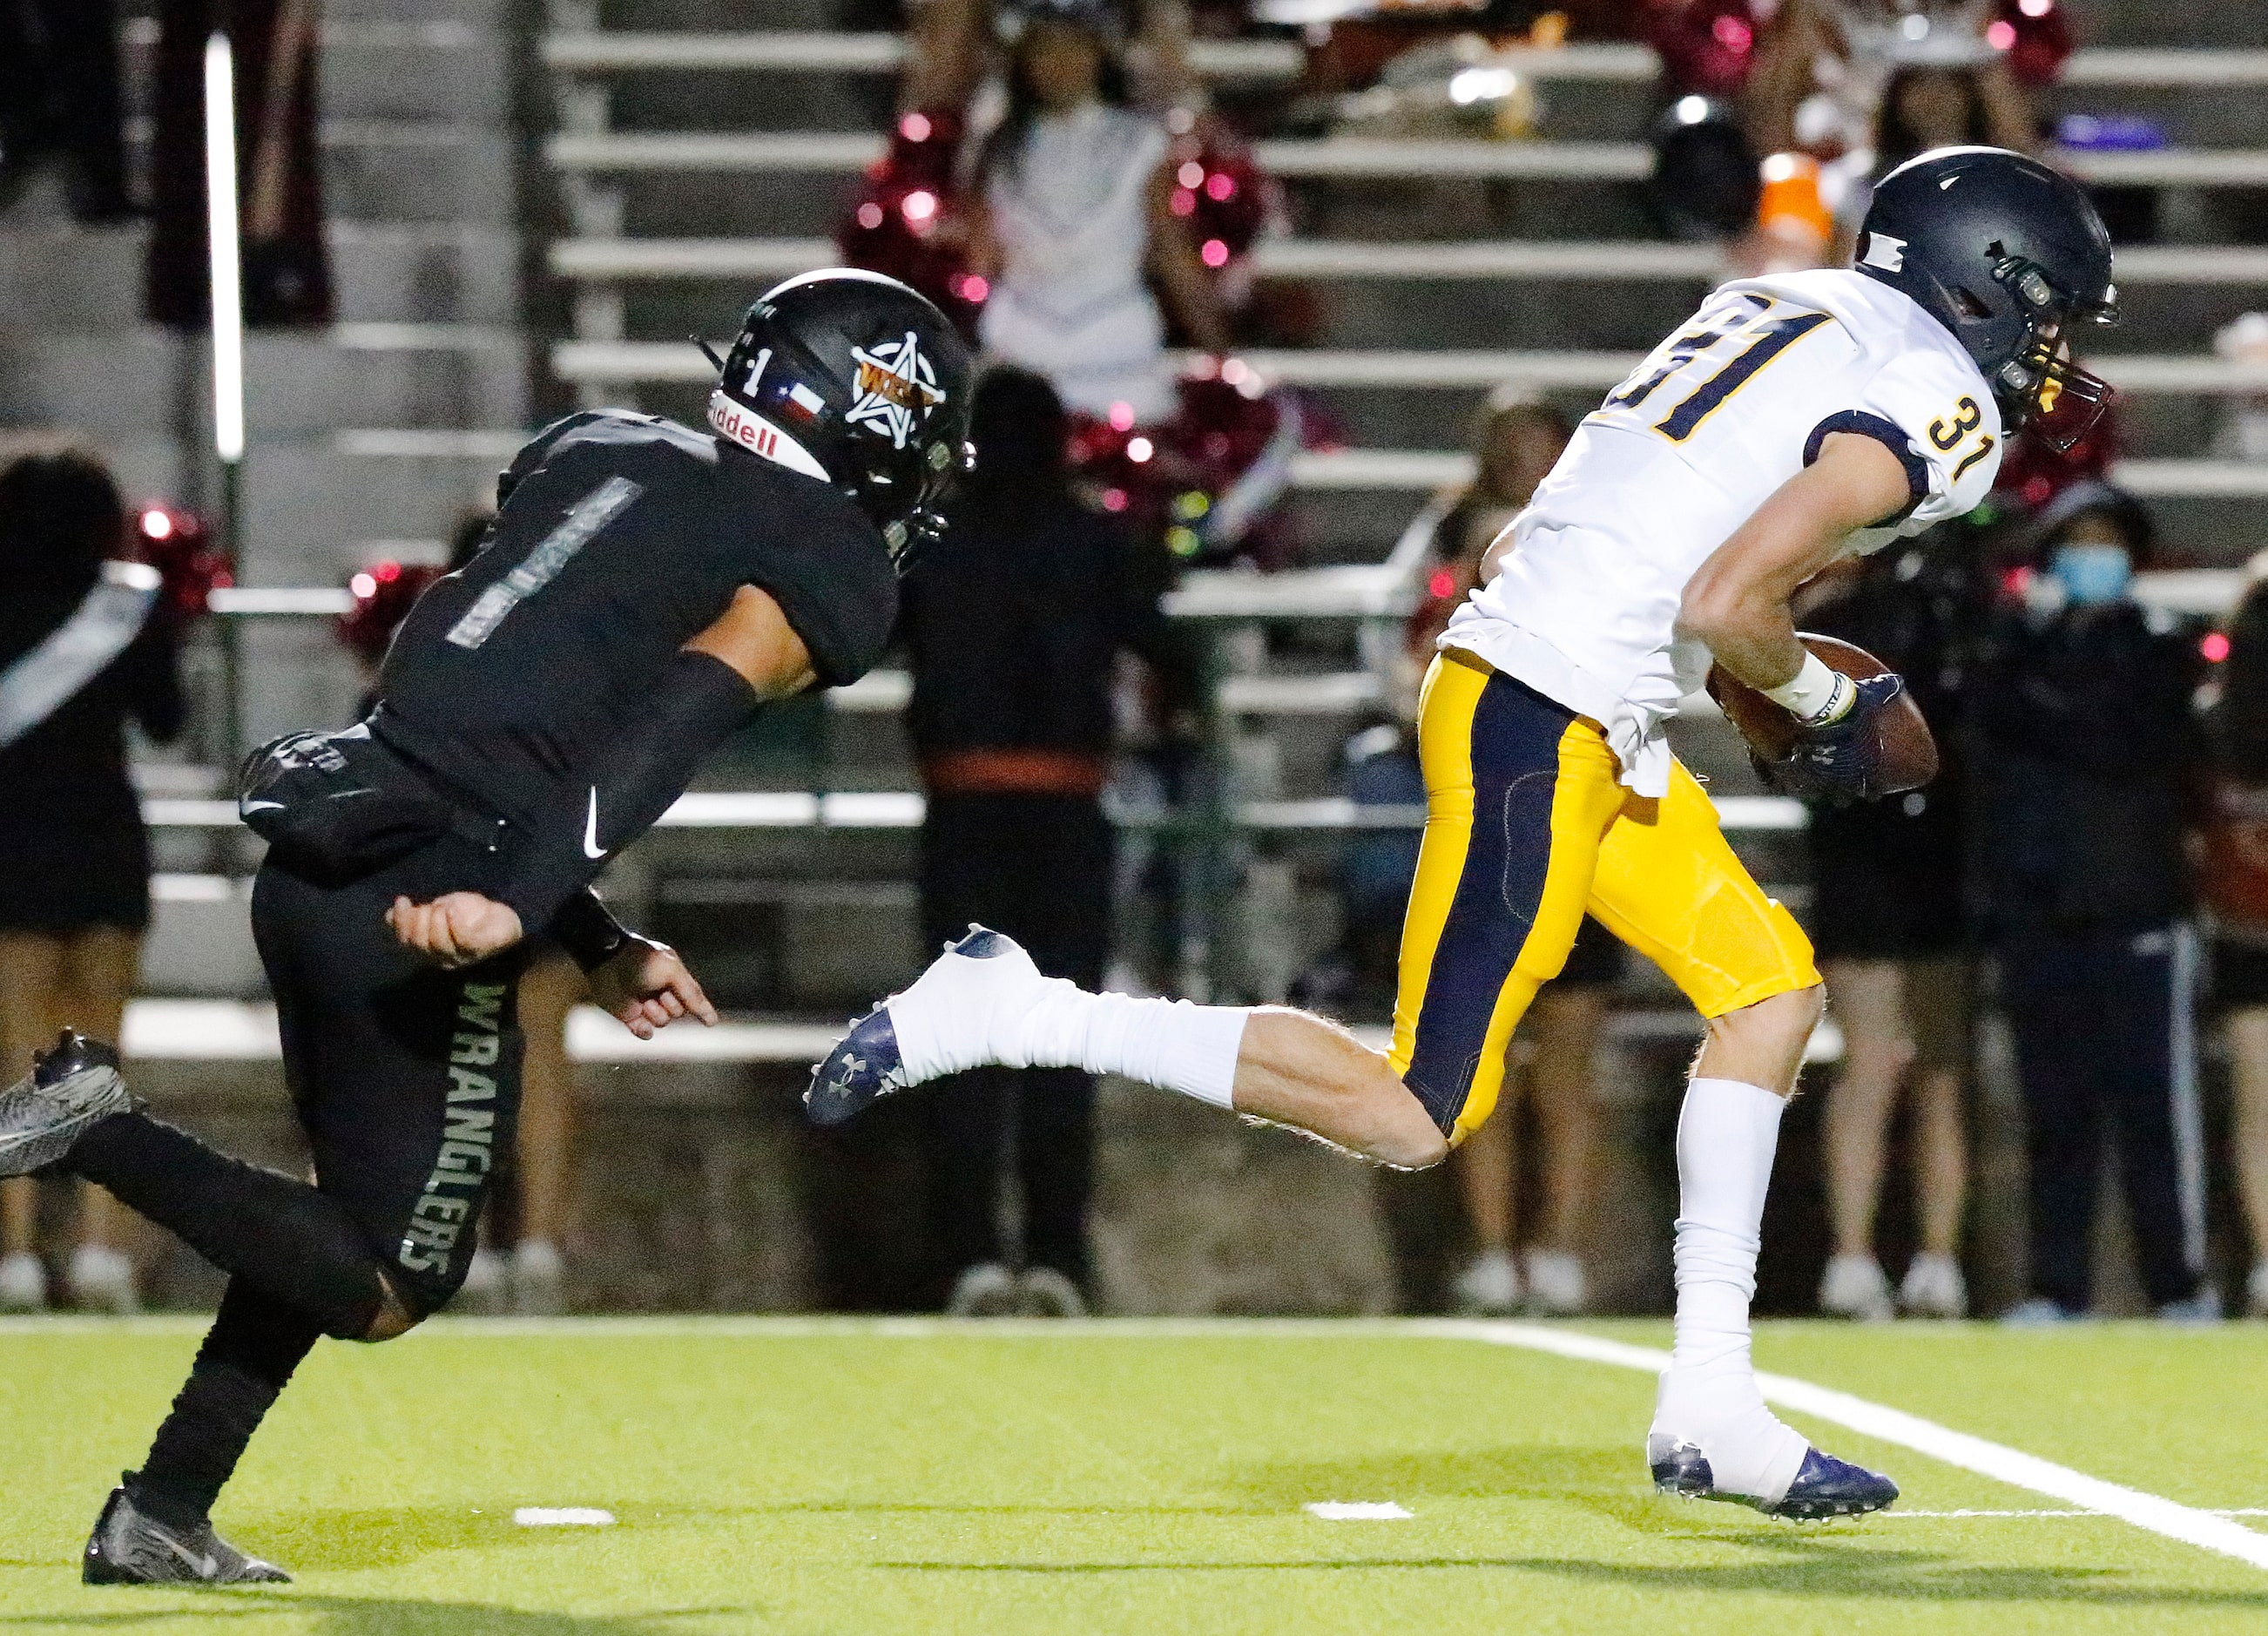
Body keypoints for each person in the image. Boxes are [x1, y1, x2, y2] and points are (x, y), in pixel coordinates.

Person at [817, 146, 2119, 1518]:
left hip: (1569, 699)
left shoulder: (1781, 308)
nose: (2049, 354)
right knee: (1414, 1109)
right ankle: (1015, 1009)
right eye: (2046, 315)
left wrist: (1716, 667)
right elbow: (1737, 599)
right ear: (1990, 283)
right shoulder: (1936, 397)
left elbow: (1527, 545)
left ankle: (1714, 1406)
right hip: (1542, 714)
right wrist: (1809, 695)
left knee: (1771, 992)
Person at [0, 269, 973, 1584]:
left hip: (337, 842)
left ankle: (163, 1505)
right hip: (426, 893)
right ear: (879, 423)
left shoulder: (608, 448)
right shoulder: (821, 554)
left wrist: (587, 933)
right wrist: (513, 904)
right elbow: (667, 719)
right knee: (393, 1276)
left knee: (346, 1218)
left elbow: (503, 706)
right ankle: (95, 1124)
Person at [900, 365, 1181, 1316]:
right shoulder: (1098, 540)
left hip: (963, 807)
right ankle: (1058, 1256)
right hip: (1067, 809)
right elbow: (1169, 655)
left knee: (962, 1043)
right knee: (1062, 1042)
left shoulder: (935, 542)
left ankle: (968, 1256)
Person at [1974, 481, 2217, 1324]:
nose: (2093, 556)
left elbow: (2128, 742)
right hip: (2043, 918)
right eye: (2077, 540)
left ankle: (2179, 1285)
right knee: (2055, 1114)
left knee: (2156, 1112)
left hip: (2142, 912)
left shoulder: (2157, 649)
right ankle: (2055, 1287)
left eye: (2108, 540)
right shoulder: (2016, 653)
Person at [335, 517, 584, 1317]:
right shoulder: (574, 653)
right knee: (539, 1055)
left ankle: (449, 1246)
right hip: (537, 878)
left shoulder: (427, 645)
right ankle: (539, 1246)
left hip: (436, 884)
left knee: (440, 1068)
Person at [0, 447, 183, 1315]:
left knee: (15, 1055)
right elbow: (168, 721)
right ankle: (103, 1252)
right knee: (98, 1053)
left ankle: (19, 1258)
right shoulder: (126, 610)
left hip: (12, 842)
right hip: (104, 839)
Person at [1801, 537, 1981, 1321]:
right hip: (1868, 857)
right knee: (1879, 1064)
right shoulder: (1835, 621)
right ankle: (1857, 1258)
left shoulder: (1957, 620)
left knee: (1932, 1065)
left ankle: (1929, 1261)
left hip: (1932, 857)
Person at [963, 0, 1229, 423]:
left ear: (1099, 53)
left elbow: (1169, 248)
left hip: (1118, 342)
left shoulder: (1144, 142)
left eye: (1074, 47)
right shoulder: (996, 148)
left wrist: (1217, 344)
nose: (1060, 63)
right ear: (1023, 59)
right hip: (1020, 342)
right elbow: (981, 258)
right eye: (1044, 49)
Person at [2207, 557, 2268, 1317]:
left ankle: (2264, 1265)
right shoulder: (2215, 726)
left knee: (2260, 1106)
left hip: (2243, 929)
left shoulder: (2215, 720)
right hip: (2245, 929)